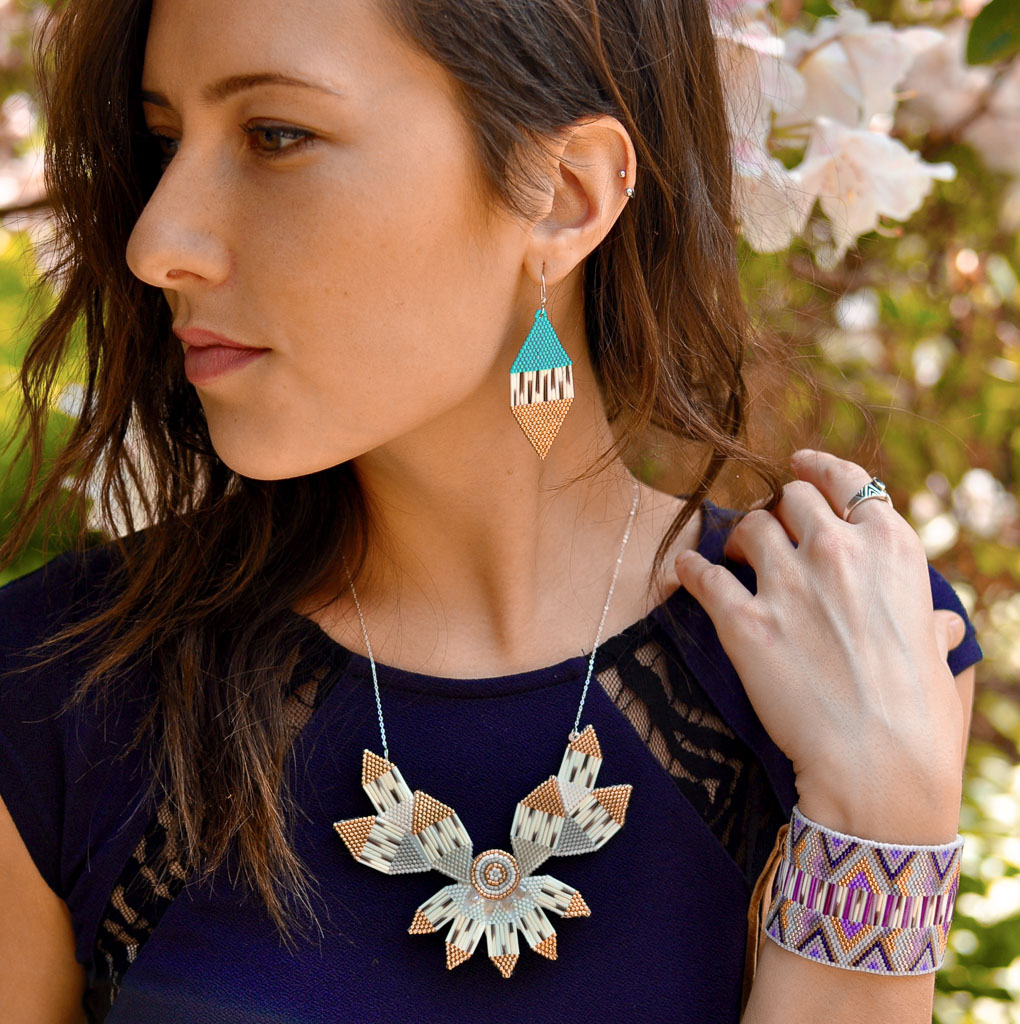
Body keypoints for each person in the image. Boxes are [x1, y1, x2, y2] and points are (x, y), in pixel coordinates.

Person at [0, 0, 983, 1021]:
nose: (157, 242)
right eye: (167, 141)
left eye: (275, 135)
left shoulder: (856, 658)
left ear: (563, 196)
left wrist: (879, 818)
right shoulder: (51, 692)